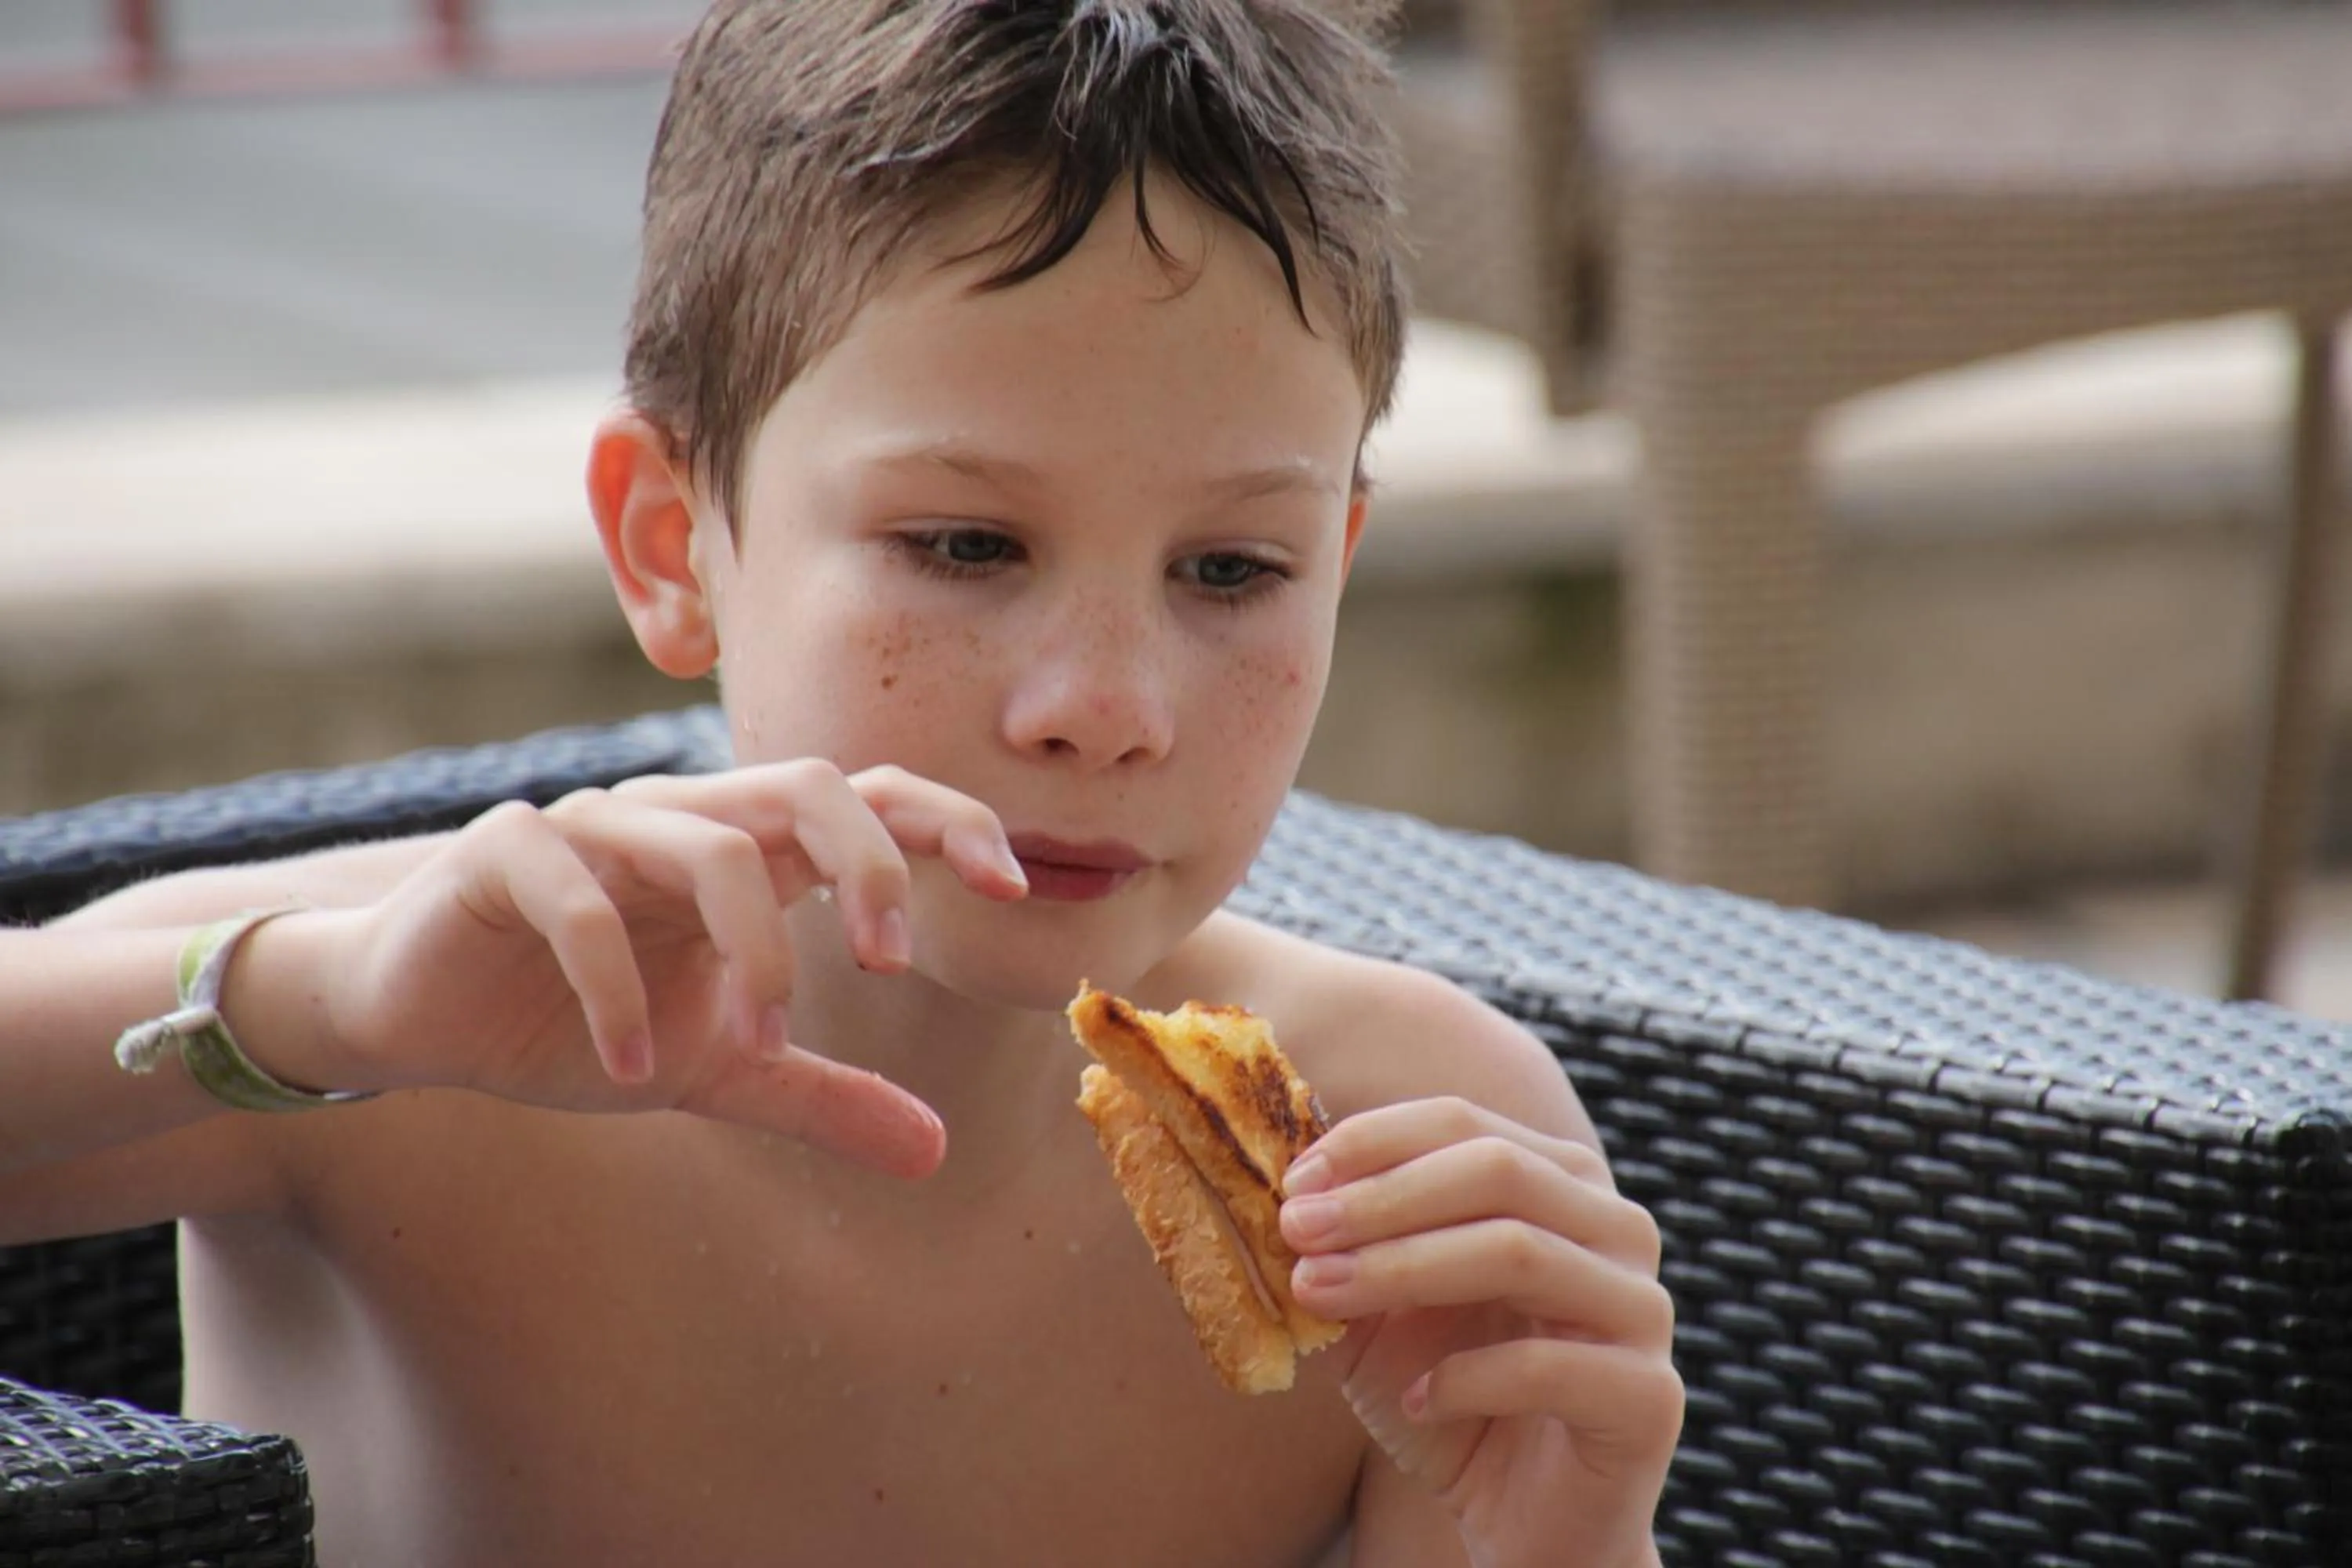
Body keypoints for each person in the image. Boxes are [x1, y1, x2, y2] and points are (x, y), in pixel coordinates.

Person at [0, 1, 1683, 1563]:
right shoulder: (373, 1013)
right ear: (676, 545)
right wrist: (310, 1011)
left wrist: (1563, 1543)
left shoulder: (1413, 1170)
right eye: (964, 541)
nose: (1103, 708)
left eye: (1232, 570)